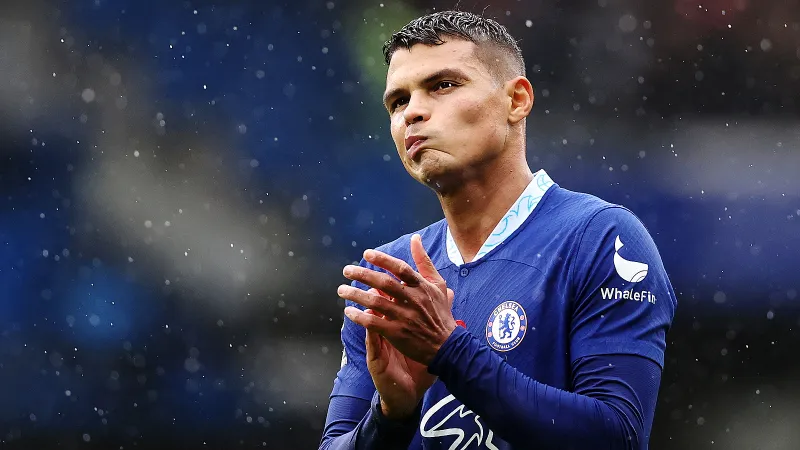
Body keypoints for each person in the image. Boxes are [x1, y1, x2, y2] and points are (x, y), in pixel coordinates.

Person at [319, 10, 676, 450]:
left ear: (516, 100)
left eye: (442, 85)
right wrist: (391, 417)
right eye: (398, 102)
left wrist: (449, 352)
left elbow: (617, 436)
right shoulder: (388, 277)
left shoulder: (602, 239)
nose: (412, 113)